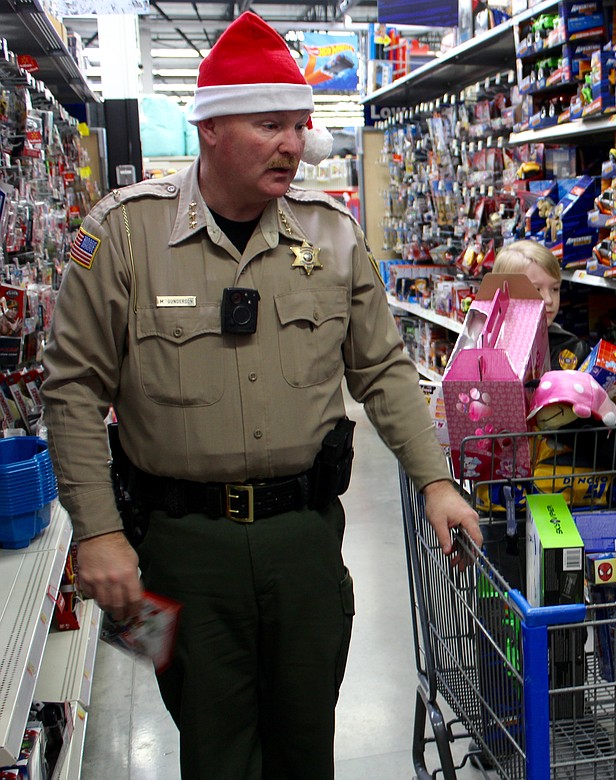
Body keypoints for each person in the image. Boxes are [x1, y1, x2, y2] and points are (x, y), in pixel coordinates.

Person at [40, 12, 481, 780]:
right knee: (214, 749)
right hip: (180, 551)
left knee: (307, 743)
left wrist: (435, 480)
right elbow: (72, 388)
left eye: (299, 125)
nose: (292, 143)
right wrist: (98, 533)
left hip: (306, 543)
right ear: (210, 128)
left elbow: (381, 369)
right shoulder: (122, 237)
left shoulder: (331, 236)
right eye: (270, 123)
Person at [491, 239, 590, 370]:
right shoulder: (486, 342)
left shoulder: (572, 349)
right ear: (506, 292)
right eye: (537, 289)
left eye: (554, 289)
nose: (549, 299)